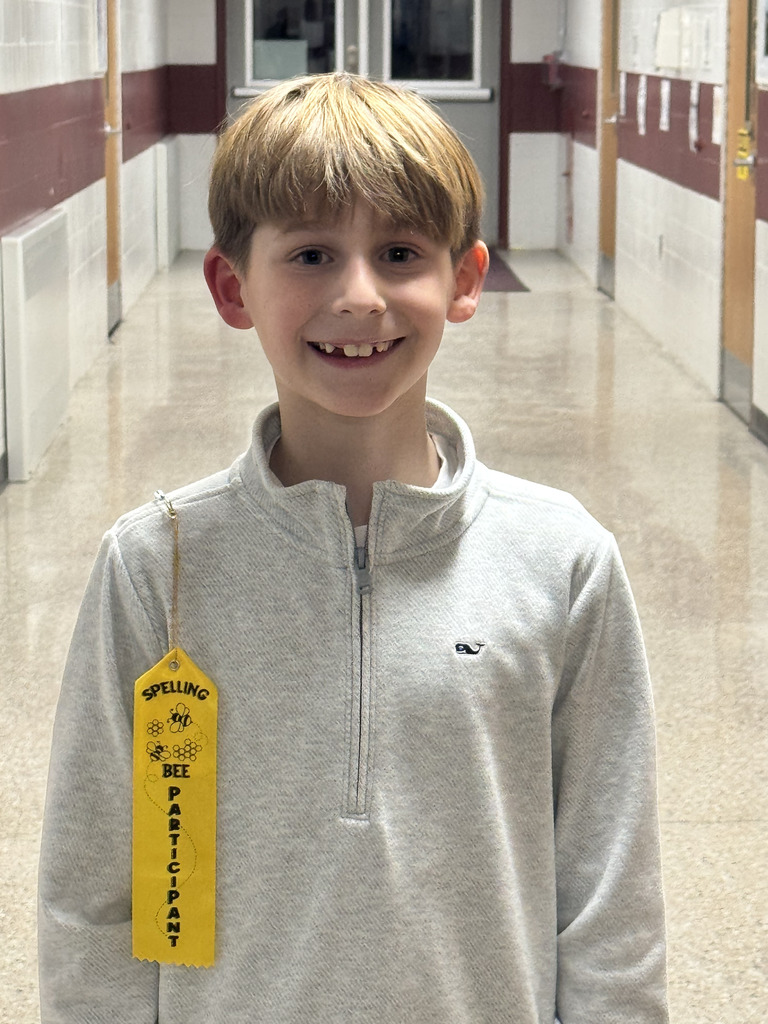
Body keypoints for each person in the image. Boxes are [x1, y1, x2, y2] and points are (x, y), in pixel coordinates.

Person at [38, 73, 668, 1023]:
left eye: (400, 253)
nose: (360, 296)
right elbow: (91, 899)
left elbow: (610, 900)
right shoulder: (156, 566)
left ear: (465, 281)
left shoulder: (563, 563)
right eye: (311, 255)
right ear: (232, 287)